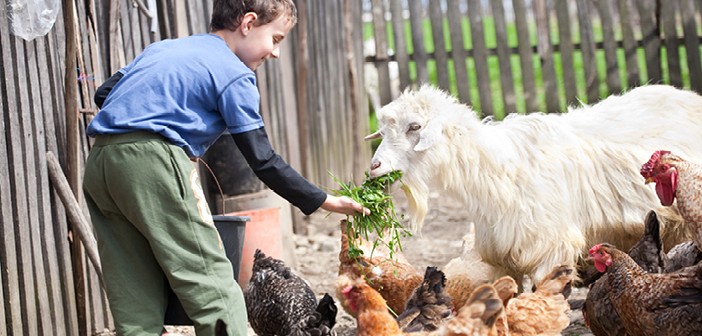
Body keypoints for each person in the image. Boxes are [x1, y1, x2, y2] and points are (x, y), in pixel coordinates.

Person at [82, 0, 369, 335]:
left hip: (102, 161)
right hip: (152, 164)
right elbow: (263, 159)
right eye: (275, 39)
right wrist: (326, 201)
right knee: (211, 282)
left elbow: (105, 93)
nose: (275, 53)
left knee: (132, 286)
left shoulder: (163, 49)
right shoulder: (234, 74)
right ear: (247, 23)